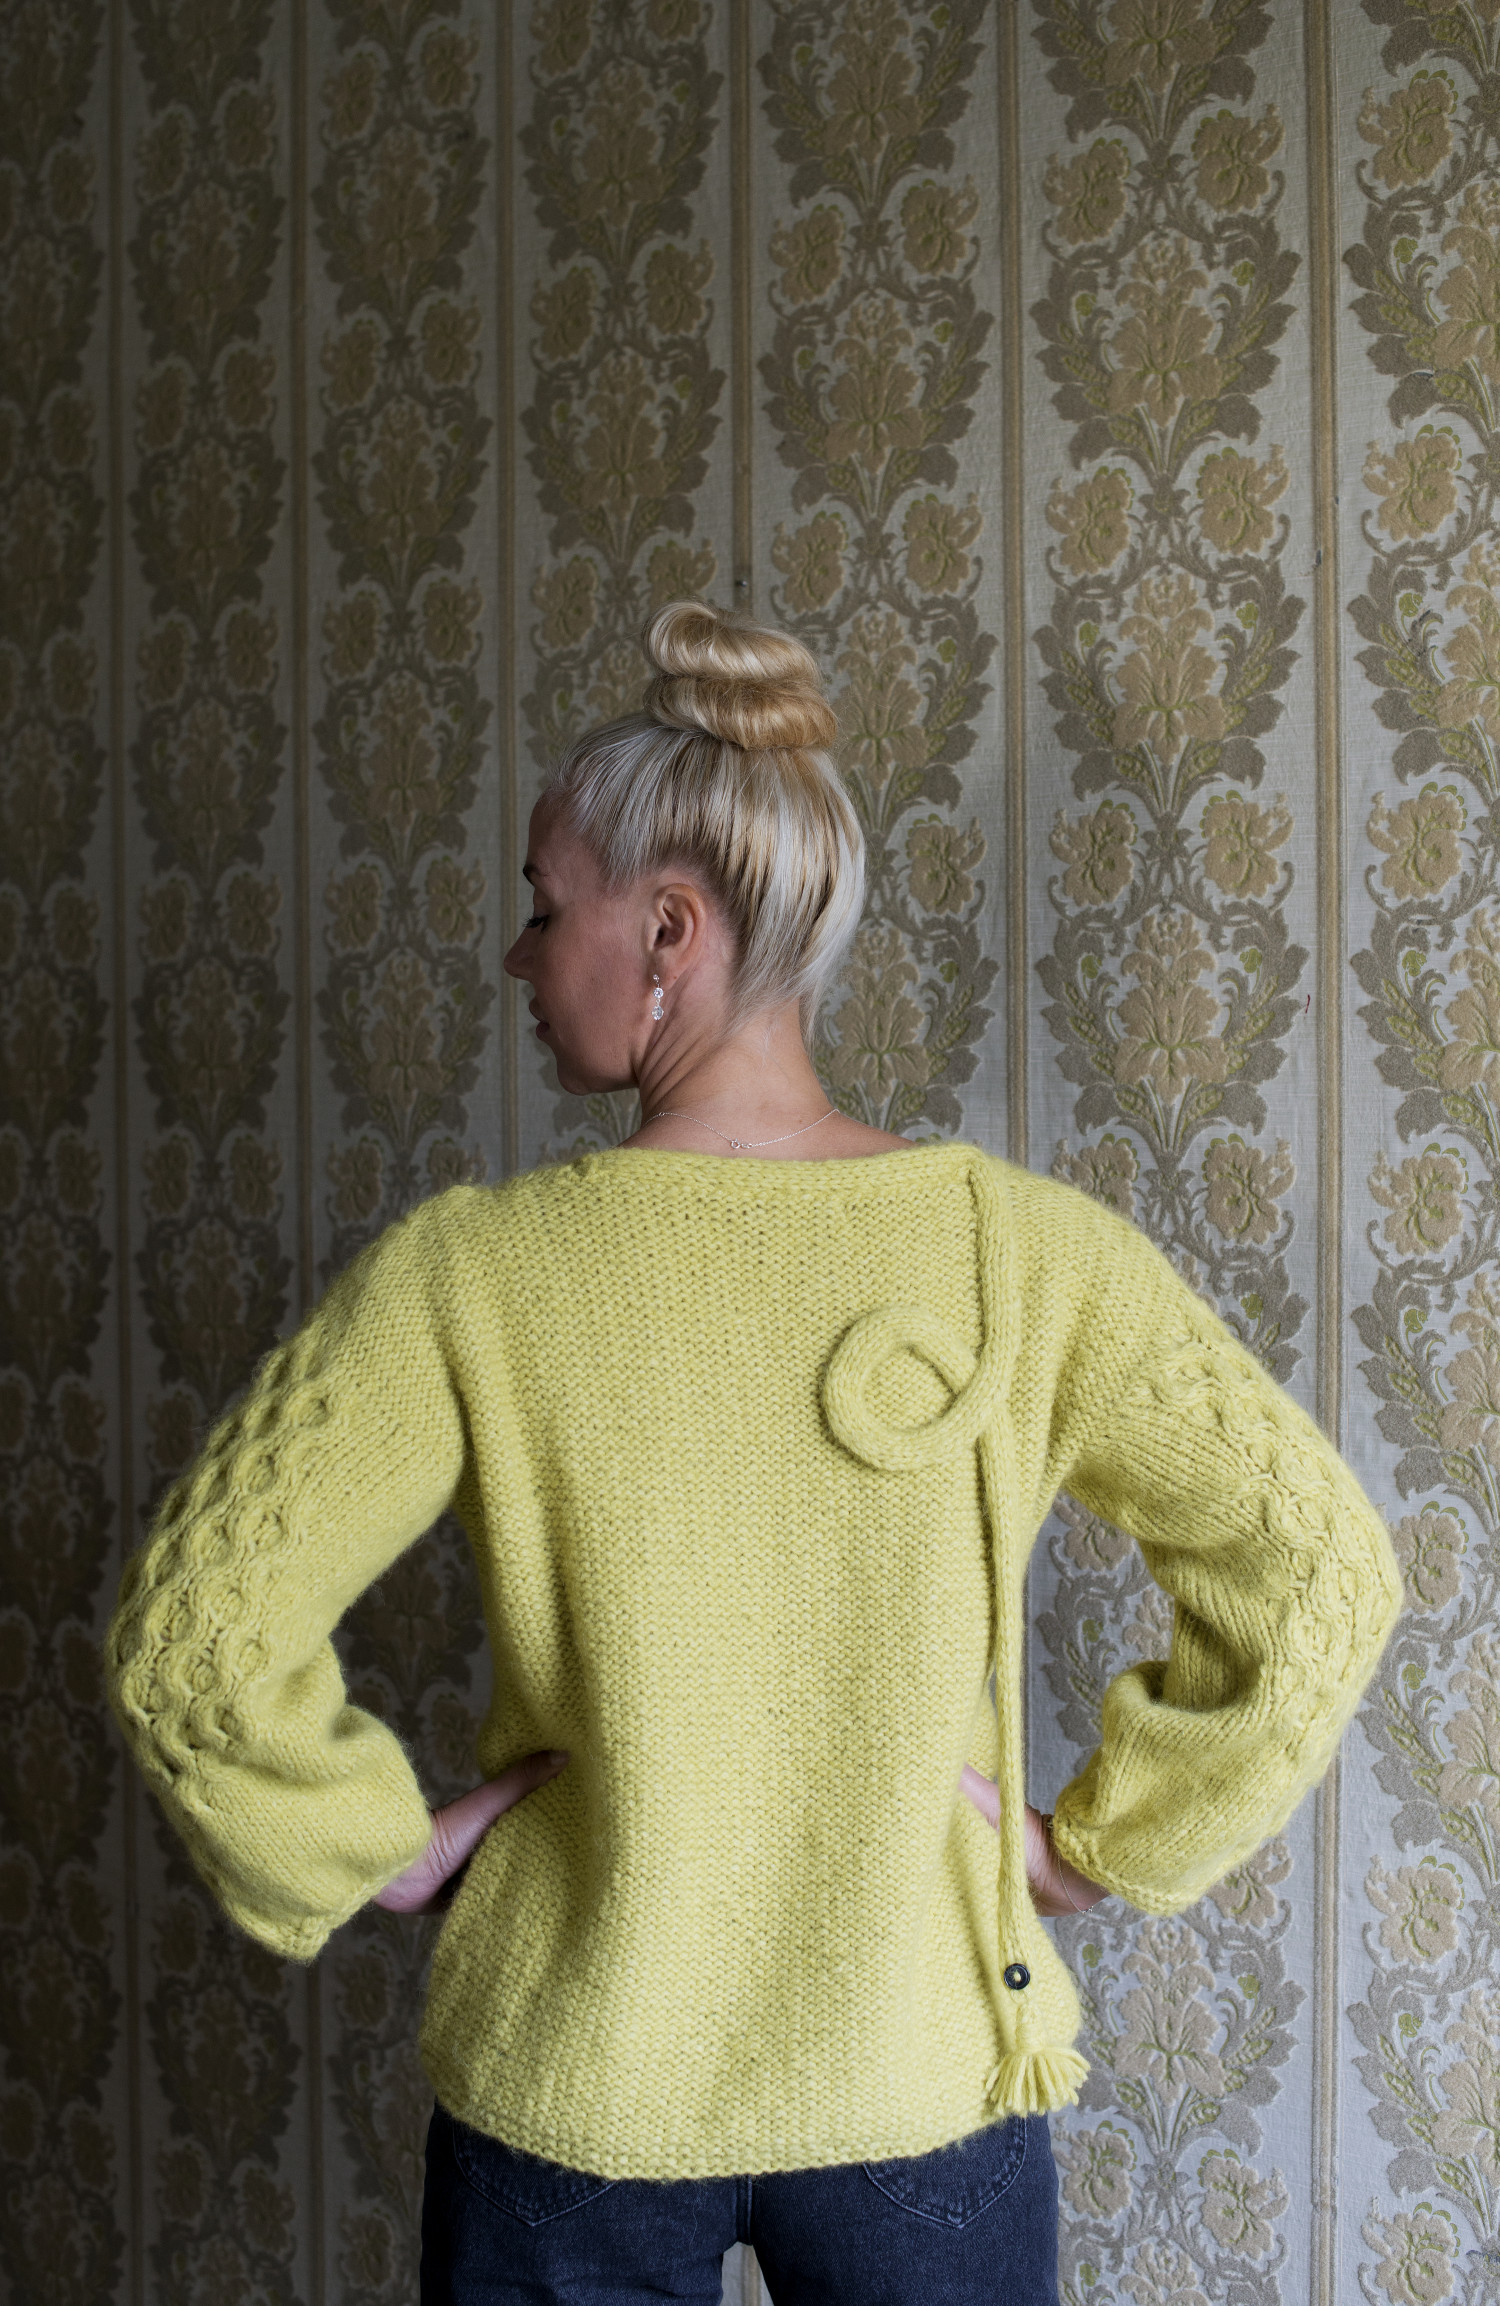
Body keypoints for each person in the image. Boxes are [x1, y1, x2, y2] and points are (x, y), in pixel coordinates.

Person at [105, 602, 1402, 2306]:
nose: (517, 959)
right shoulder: (1028, 1256)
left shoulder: (471, 1274)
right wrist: (1096, 1842)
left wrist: (378, 1841)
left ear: (668, 927)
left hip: (570, 2093)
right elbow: (1320, 1568)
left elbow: (190, 1637)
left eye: (541, 907)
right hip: (917, 2075)